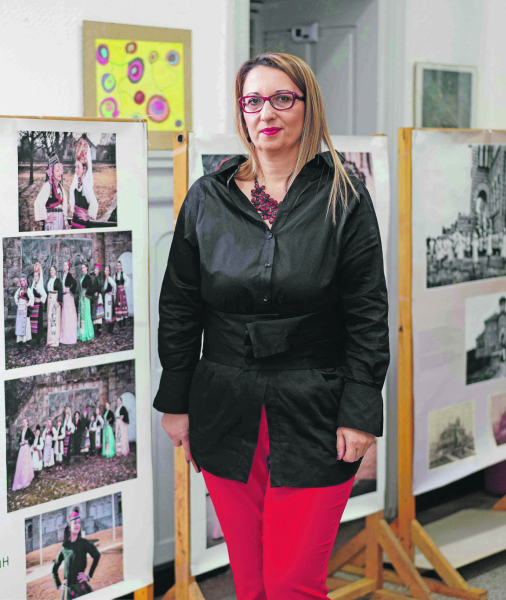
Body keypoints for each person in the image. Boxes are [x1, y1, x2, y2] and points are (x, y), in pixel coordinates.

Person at [155, 53, 388, 600]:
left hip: (316, 410)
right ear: (241, 111)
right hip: (225, 407)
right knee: (253, 583)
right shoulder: (208, 197)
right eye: (253, 101)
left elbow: (367, 312)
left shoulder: (344, 195)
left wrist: (360, 411)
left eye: (282, 98)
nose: (267, 113)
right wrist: (176, 401)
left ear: (308, 107)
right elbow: (181, 306)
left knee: (291, 585)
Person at [52, 509, 100, 598]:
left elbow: (97, 555)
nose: (77, 525)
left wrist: (88, 576)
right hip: (68, 593)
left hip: (81, 589)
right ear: (70, 527)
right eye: (75, 523)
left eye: (79, 522)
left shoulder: (84, 543)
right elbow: (54, 569)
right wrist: (58, 585)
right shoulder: (65, 548)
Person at [34, 155, 71, 231]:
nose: (60, 172)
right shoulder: (48, 186)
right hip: (52, 222)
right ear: (51, 172)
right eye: (57, 171)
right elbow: (38, 202)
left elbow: (63, 206)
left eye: (60, 170)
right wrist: (46, 218)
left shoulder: (60, 187)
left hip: (60, 220)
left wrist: (65, 222)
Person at [69, 137, 99, 229]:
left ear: (84, 169)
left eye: (78, 167)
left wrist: (87, 216)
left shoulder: (86, 186)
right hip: (74, 223)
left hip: (83, 225)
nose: (76, 170)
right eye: (75, 167)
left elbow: (94, 203)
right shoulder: (76, 184)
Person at [13, 418, 36, 491]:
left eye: (25, 422)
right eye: (23, 422)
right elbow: (20, 439)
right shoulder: (22, 431)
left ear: (27, 423)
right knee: (21, 463)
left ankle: (26, 479)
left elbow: (33, 437)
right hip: (22, 448)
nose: (24, 423)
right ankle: (21, 479)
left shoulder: (28, 430)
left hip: (26, 448)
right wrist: (20, 442)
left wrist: (28, 441)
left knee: (26, 463)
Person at [60, 261, 79, 345]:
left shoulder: (69, 275)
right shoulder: (63, 275)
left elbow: (75, 283)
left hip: (68, 297)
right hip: (65, 297)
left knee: (69, 315)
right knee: (65, 316)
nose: (64, 266)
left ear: (68, 267)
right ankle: (64, 334)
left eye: (66, 265)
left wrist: (70, 290)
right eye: (63, 265)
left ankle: (70, 336)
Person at [29, 263, 48, 347]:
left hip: (38, 307)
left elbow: (44, 295)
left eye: (36, 276)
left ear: (39, 277)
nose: (35, 277)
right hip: (34, 307)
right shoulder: (34, 285)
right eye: (34, 276)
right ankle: (35, 338)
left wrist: (39, 299)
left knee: (38, 323)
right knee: (34, 323)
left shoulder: (40, 286)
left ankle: (38, 341)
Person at [47, 265, 65, 347]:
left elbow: (60, 290)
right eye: (51, 270)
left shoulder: (57, 280)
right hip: (50, 300)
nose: (52, 272)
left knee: (55, 319)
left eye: (53, 270)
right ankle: (50, 339)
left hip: (55, 300)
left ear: (55, 271)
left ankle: (55, 339)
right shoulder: (49, 280)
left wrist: (59, 301)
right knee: (50, 318)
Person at [77, 264, 95, 342]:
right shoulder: (82, 277)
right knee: (82, 315)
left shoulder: (88, 277)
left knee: (86, 314)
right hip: (81, 298)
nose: (82, 269)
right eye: (82, 268)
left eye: (84, 267)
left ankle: (88, 333)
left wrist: (86, 293)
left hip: (86, 298)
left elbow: (91, 288)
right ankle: (82, 333)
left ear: (87, 268)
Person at [14, 277, 34, 345]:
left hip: (25, 309)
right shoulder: (19, 289)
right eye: (21, 281)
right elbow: (15, 296)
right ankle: (20, 341)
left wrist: (28, 304)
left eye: (23, 280)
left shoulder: (28, 289)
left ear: (25, 281)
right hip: (20, 309)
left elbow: (32, 297)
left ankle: (27, 342)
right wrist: (17, 302)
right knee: (19, 325)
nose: (22, 282)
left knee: (26, 325)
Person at [100, 265, 116, 334]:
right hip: (106, 296)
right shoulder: (106, 279)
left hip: (109, 297)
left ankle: (111, 328)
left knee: (110, 310)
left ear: (109, 272)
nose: (105, 271)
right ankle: (109, 327)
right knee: (107, 311)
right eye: (105, 270)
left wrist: (113, 293)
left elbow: (114, 285)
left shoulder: (109, 278)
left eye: (107, 270)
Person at [114, 261, 130, 327]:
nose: (118, 267)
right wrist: (115, 289)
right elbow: (114, 284)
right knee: (118, 305)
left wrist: (124, 287)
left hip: (122, 292)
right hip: (117, 292)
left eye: (119, 265)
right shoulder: (115, 275)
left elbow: (128, 280)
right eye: (117, 266)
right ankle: (120, 323)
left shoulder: (123, 274)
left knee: (123, 306)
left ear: (121, 266)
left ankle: (124, 323)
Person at [92, 264, 105, 335]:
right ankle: (96, 329)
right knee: (96, 312)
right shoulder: (95, 278)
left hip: (98, 297)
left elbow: (100, 286)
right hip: (95, 297)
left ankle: (99, 329)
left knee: (98, 313)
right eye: (95, 269)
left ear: (99, 271)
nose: (95, 270)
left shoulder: (98, 278)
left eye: (97, 269)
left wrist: (97, 291)